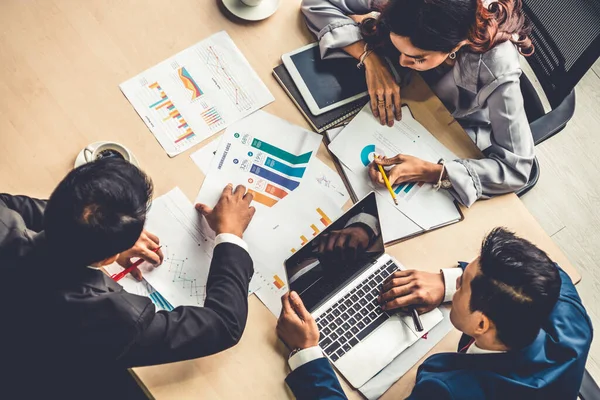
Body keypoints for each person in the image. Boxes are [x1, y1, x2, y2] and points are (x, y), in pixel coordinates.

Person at [0, 158, 256, 399]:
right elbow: (224, 324)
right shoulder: (115, 317)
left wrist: (94, 233)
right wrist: (230, 235)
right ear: (108, 259)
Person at [277, 228, 592, 399]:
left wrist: (307, 353)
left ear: (481, 324)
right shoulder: (574, 329)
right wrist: (446, 282)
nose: (459, 277)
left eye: (464, 284)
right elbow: (551, 271)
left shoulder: (448, 392)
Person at [301, 0, 536, 206]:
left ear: (456, 46)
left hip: (452, 127)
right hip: (411, 96)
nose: (403, 62)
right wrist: (370, 58)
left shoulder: (498, 65)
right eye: (399, 49)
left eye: (417, 58)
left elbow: (517, 168)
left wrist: (433, 171)